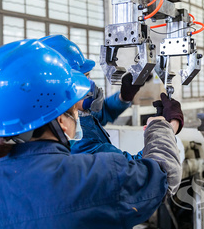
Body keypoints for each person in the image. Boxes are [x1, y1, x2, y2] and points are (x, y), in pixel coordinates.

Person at [0, 39, 182, 228]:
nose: (83, 104)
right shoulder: (97, 177)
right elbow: (160, 174)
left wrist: (123, 97)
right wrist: (164, 126)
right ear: (61, 121)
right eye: (75, 108)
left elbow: (97, 117)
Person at [39, 35, 183, 160]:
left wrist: (124, 96)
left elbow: (103, 113)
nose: (90, 86)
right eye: (81, 80)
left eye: (88, 76)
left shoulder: (72, 117)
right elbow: (141, 171)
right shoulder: (78, 141)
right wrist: (169, 128)